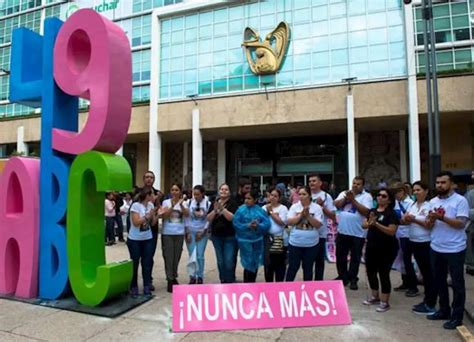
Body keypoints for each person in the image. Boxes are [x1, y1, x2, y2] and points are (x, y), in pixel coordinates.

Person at [426, 171, 470, 330]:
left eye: (443, 182)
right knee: (439, 281)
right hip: (436, 246)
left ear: (451, 184)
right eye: (437, 182)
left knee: (457, 284)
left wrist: (441, 217)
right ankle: (444, 310)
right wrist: (430, 220)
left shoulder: (460, 200)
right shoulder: (432, 201)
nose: (439, 185)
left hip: (455, 248)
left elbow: (460, 223)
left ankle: (457, 316)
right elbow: (428, 225)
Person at [362, 188, 399, 312]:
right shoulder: (372, 211)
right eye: (378, 195)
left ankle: (385, 301)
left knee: (383, 273)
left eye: (383, 196)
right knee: (371, 272)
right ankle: (374, 296)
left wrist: (375, 223)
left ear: (389, 200)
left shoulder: (391, 214)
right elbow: (364, 225)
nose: (380, 197)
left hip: (387, 248)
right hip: (372, 246)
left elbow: (391, 231)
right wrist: (368, 223)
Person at [402, 181, 437, 315]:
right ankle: (427, 300)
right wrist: (406, 218)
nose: (416, 192)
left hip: (425, 242)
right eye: (414, 190)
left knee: (429, 274)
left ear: (426, 191)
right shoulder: (413, 204)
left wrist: (414, 219)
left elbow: (429, 224)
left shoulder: (429, 206)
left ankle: (430, 303)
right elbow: (405, 219)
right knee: (423, 271)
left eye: (419, 190)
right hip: (414, 241)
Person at [334, 176, 373, 290]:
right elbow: (336, 204)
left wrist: (353, 200)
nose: (355, 185)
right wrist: (346, 199)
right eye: (354, 183)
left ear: (363, 186)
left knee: (355, 258)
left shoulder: (367, 196)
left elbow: (367, 212)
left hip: (358, 233)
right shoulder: (344, 193)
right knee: (340, 256)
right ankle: (342, 277)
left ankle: (353, 278)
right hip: (342, 231)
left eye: (358, 184)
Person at [285, 186, 323, 281]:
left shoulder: (317, 208)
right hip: (295, 243)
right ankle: (287, 288)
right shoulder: (295, 206)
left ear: (309, 195)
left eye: (304, 194)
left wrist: (308, 216)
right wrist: (301, 216)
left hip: (311, 244)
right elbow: (289, 222)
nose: (301, 196)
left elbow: (318, 225)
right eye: (300, 194)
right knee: (292, 267)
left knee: (308, 269)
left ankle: (308, 289)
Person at [233, 189, 271, 283]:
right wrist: (247, 226)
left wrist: (258, 226)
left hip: (257, 240)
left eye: (249, 198)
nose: (246, 200)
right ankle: (247, 282)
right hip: (244, 241)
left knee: (255, 262)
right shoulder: (240, 210)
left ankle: (252, 282)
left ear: (255, 199)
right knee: (247, 263)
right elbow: (236, 224)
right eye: (245, 198)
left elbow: (267, 224)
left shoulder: (260, 210)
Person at [127, 187, 158, 296]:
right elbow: (136, 222)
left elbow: (153, 223)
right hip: (135, 239)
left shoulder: (151, 205)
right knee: (135, 263)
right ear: (147, 195)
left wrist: (156, 214)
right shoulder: (135, 206)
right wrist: (147, 216)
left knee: (147, 263)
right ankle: (133, 285)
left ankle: (146, 285)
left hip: (147, 238)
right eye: (153, 194)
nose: (154, 196)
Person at [160, 183, 189, 293]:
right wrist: (172, 206)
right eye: (172, 190)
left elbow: (187, 215)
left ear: (180, 191)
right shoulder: (166, 202)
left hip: (179, 233)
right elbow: (164, 216)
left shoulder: (184, 203)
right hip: (168, 233)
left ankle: (174, 276)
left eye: (177, 190)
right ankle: (169, 279)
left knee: (176, 256)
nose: (174, 192)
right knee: (168, 256)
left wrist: (181, 205)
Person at [207, 183, 239, 283]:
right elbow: (208, 218)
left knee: (229, 261)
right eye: (222, 189)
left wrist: (222, 209)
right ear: (219, 191)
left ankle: (230, 281)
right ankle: (223, 280)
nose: (223, 191)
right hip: (216, 236)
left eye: (226, 189)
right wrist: (215, 210)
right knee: (220, 261)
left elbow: (232, 218)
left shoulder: (233, 203)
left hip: (230, 236)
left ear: (229, 192)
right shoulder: (214, 203)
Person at [309, 174, 336, 281]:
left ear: (320, 183)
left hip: (320, 233)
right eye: (310, 181)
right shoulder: (305, 195)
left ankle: (318, 282)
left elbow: (333, 216)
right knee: (308, 261)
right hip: (307, 233)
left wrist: (322, 206)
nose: (311, 183)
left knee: (319, 261)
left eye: (314, 181)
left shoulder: (326, 196)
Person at [392, 182, 417, 296]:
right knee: (401, 260)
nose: (395, 195)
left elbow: (406, 220)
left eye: (396, 193)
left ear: (402, 191)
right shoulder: (397, 202)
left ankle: (413, 286)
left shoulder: (410, 203)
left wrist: (398, 220)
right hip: (398, 234)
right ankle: (405, 282)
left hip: (407, 234)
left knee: (407, 260)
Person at [185, 185, 211, 284]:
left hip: (202, 232)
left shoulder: (208, 204)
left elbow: (208, 220)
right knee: (192, 255)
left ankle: (200, 276)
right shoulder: (189, 202)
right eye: (194, 194)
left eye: (198, 194)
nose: (195, 196)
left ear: (203, 194)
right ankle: (192, 275)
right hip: (191, 231)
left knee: (200, 255)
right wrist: (187, 232)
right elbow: (186, 217)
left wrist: (203, 231)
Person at [262, 187, 288, 282]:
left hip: (278, 238)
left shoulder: (283, 208)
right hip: (267, 238)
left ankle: (279, 284)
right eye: (271, 195)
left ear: (279, 198)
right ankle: (269, 285)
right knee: (268, 265)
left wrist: (271, 212)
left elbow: (282, 223)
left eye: (275, 196)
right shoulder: (264, 207)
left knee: (279, 264)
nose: (273, 197)